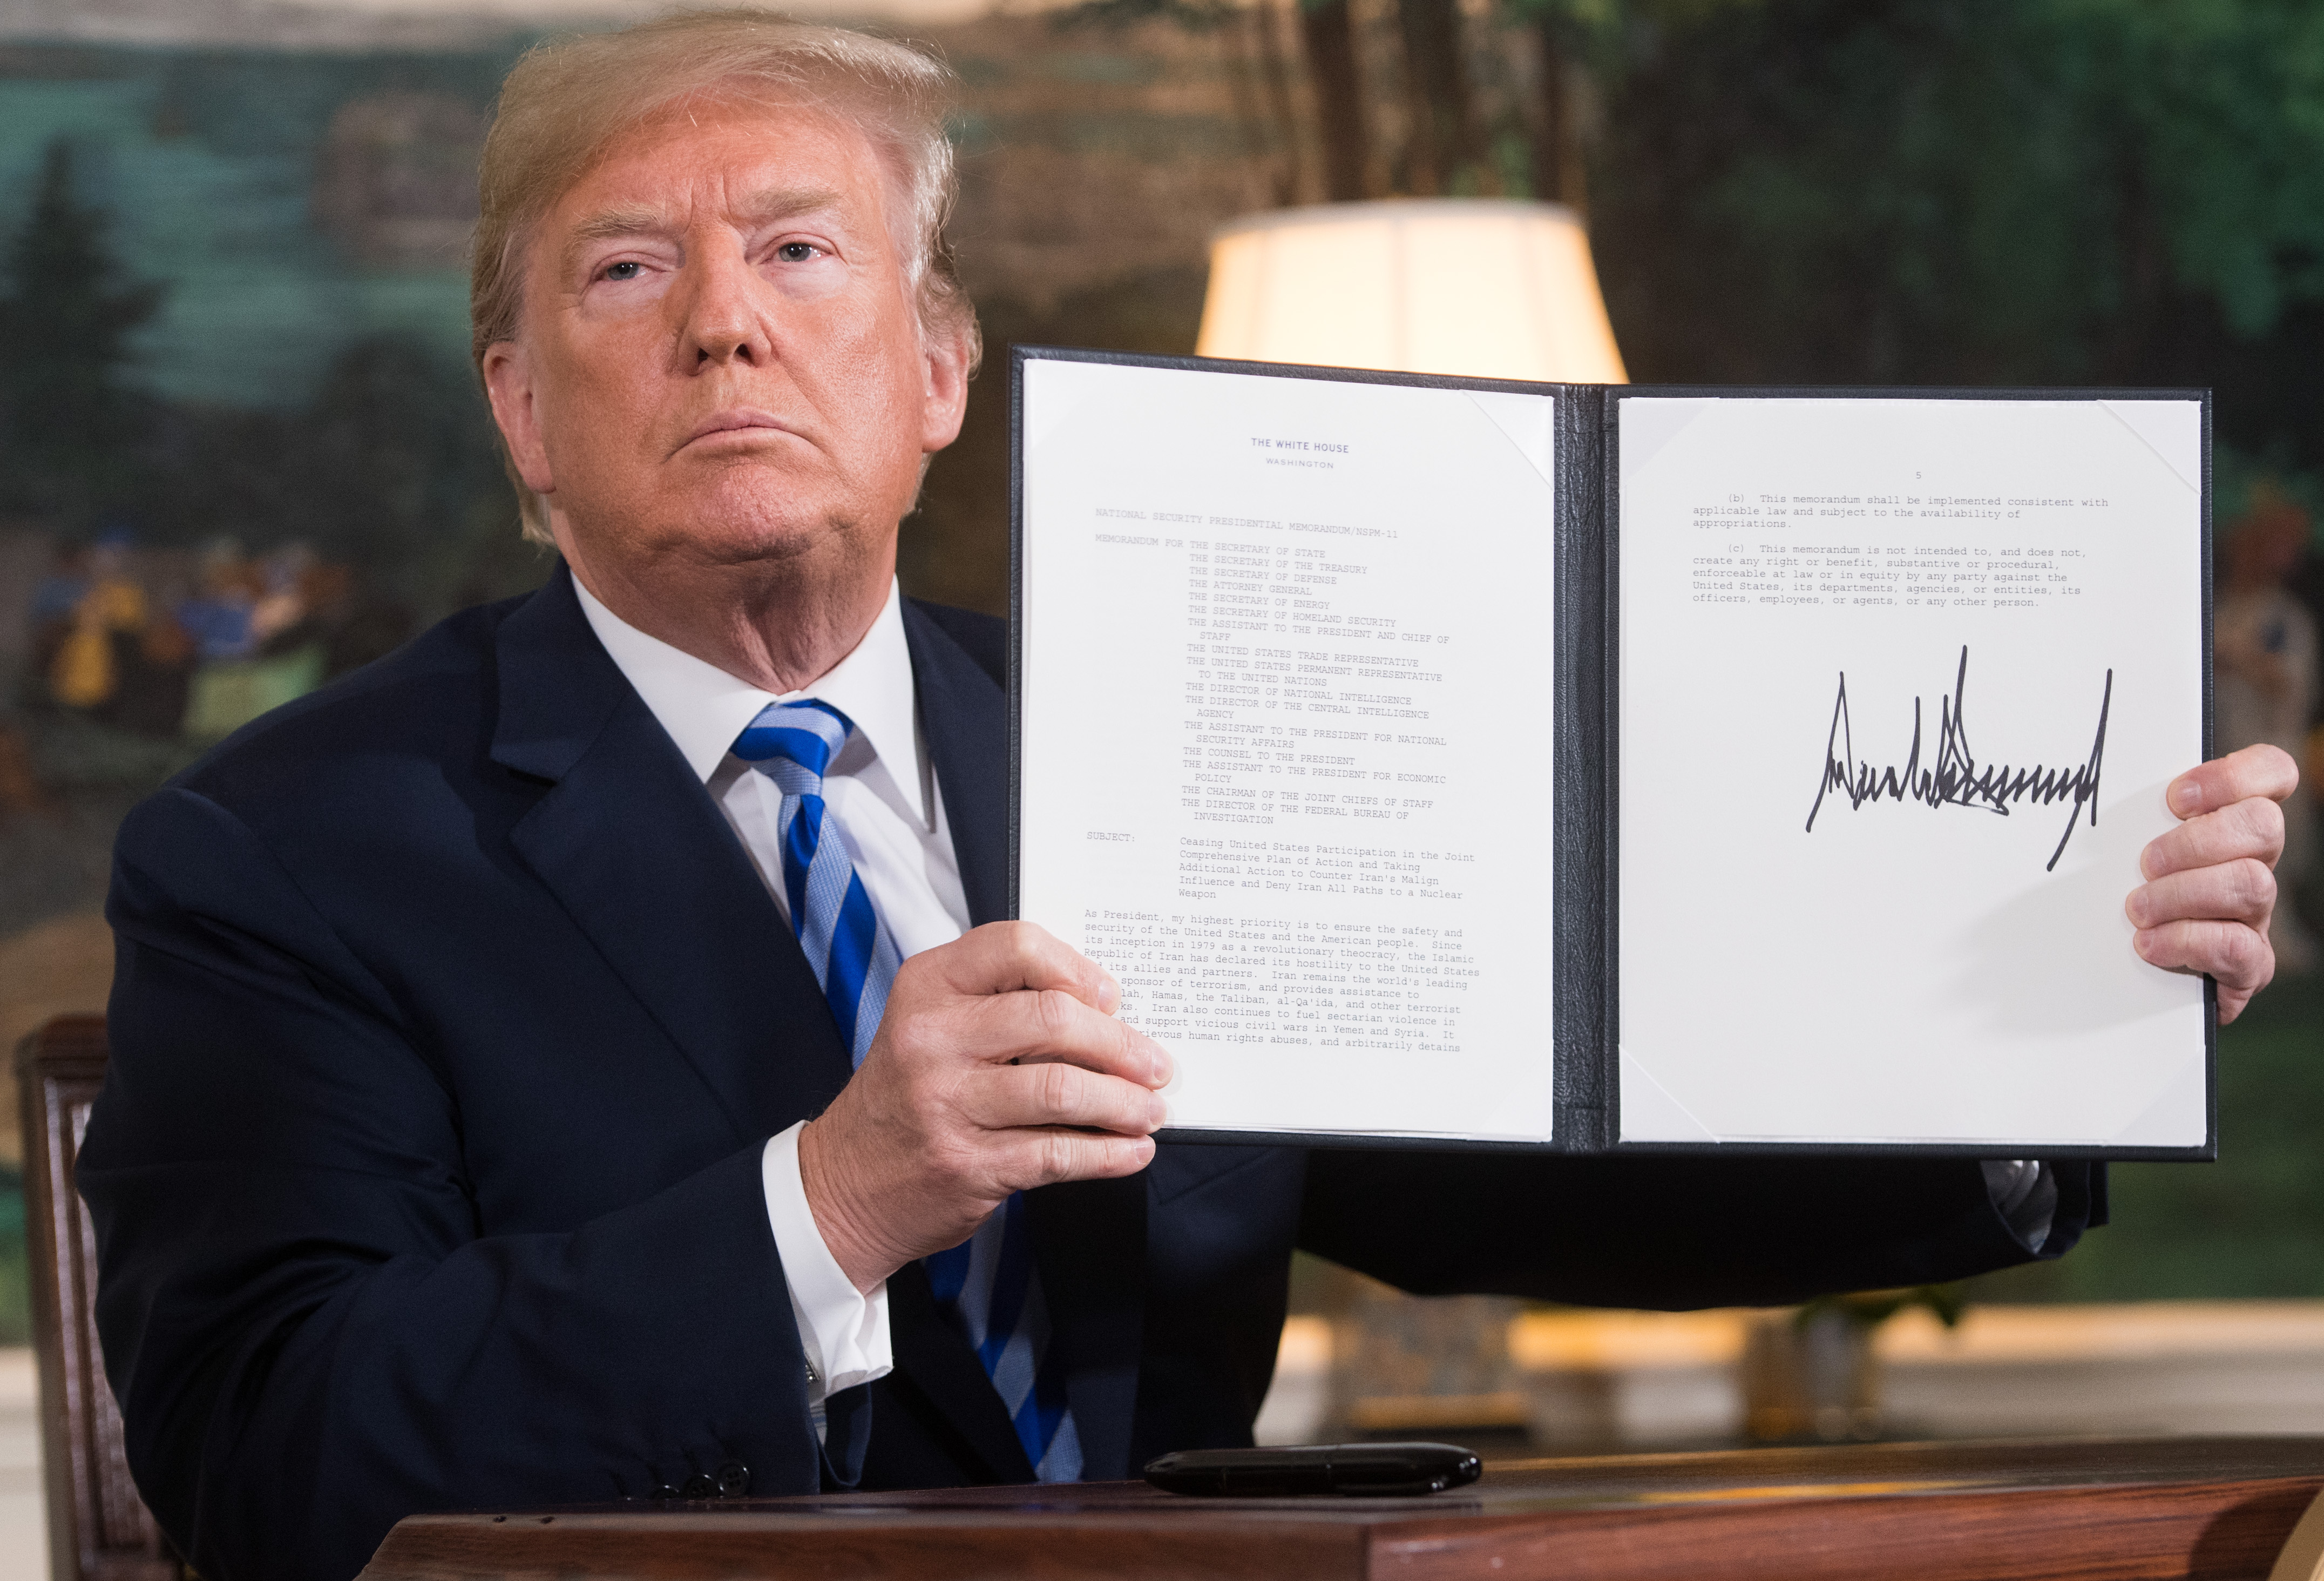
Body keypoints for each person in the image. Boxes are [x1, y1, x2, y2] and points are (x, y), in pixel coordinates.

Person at [80, 13, 2297, 1580]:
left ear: (935, 369)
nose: (722, 329)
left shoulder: (1178, 734)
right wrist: (825, 1205)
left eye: (796, 249)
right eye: (626, 272)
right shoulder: (290, 854)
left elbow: (1545, 1160)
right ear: (520, 412)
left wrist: (2033, 1022)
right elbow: (273, 1467)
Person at [2215, 484, 2318, 970]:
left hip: (2269, 758)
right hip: (2215, 757)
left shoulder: (2284, 619)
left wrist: (2240, 656)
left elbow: (2292, 686)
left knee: (2274, 867)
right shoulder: (2214, 607)